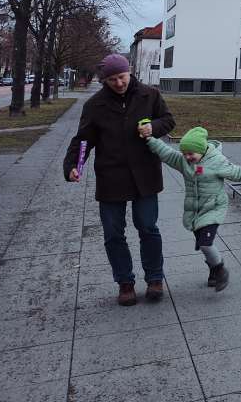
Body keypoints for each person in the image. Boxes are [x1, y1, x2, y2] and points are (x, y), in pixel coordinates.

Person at [63, 53, 175, 306]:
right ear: (104, 80)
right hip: (111, 177)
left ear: (130, 72)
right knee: (113, 233)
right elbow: (83, 140)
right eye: (112, 79)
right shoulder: (95, 105)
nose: (119, 83)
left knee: (148, 227)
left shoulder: (150, 95)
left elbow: (169, 120)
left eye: (122, 77)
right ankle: (125, 283)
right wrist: (73, 165)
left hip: (145, 175)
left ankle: (155, 279)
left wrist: (153, 128)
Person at [144, 126, 241, 291]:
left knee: (205, 244)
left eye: (191, 154)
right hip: (195, 211)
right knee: (202, 243)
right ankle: (214, 272)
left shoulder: (217, 162)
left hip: (213, 208)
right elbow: (167, 153)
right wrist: (150, 139)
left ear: (202, 150)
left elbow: (239, 172)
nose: (188, 157)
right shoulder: (184, 161)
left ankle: (220, 270)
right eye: (185, 153)